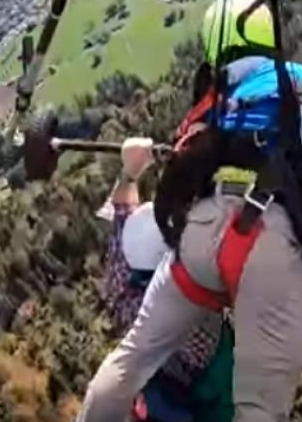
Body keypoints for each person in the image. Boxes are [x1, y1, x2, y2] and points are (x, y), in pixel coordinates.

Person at [77, 0, 302, 422]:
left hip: (198, 237)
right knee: (259, 411)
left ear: (215, 50)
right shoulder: (297, 79)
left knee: (133, 356)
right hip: (268, 241)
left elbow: (181, 170)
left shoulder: (207, 107)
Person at [97, 137, 235, 422]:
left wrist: (129, 171)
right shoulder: (195, 312)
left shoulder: (121, 287)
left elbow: (122, 214)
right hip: (208, 390)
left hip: (158, 385)